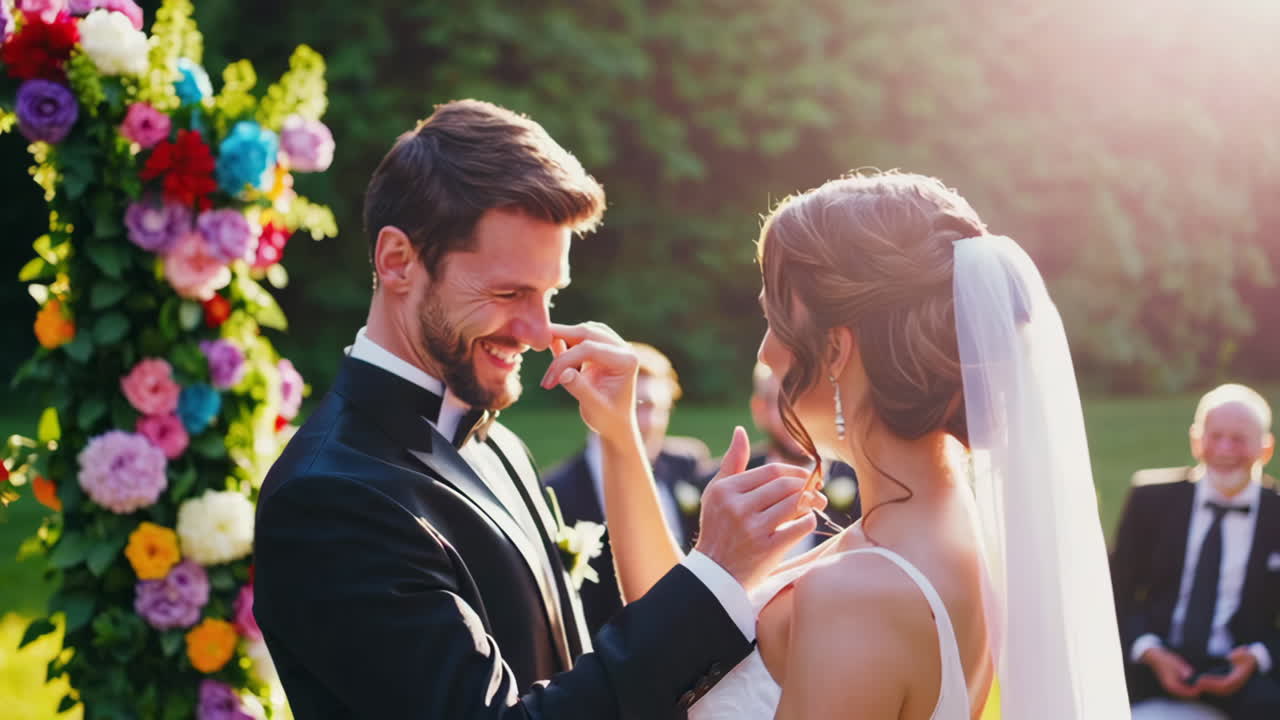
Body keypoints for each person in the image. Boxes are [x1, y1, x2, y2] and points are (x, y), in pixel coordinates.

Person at [253, 99, 824, 719]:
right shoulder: (329, 496)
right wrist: (714, 574)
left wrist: (622, 441)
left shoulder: (499, 444)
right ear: (397, 262)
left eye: (549, 294)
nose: (535, 330)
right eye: (507, 293)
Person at [689, 171, 1131, 719]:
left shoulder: (857, 596)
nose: (764, 351)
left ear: (833, 351)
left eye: (774, 319)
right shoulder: (947, 528)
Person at [1112, 383, 1280, 719]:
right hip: (1153, 660)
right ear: (1195, 440)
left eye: (1238, 438)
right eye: (1214, 435)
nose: (1224, 448)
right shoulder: (1151, 498)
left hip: (1243, 670)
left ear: (1265, 448)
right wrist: (1150, 651)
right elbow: (1115, 592)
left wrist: (1258, 657)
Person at [544, 342, 711, 635]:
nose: (650, 423)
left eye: (660, 409)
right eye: (638, 407)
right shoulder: (555, 491)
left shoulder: (689, 464)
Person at [746, 361, 861, 550]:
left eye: (809, 402)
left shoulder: (862, 487)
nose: (797, 416)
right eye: (783, 403)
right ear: (760, 409)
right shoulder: (726, 484)